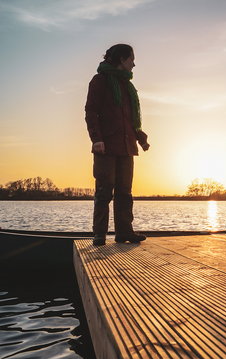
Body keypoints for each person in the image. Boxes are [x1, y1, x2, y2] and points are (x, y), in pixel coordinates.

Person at [85, 44, 149, 246]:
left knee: (125, 191)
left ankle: (124, 232)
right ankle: (99, 235)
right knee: (104, 190)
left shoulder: (127, 86)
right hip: (106, 145)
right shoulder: (100, 81)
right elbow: (91, 112)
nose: (134, 64)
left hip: (127, 145)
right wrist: (97, 139)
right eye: (131, 59)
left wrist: (140, 136)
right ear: (122, 59)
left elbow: (131, 119)